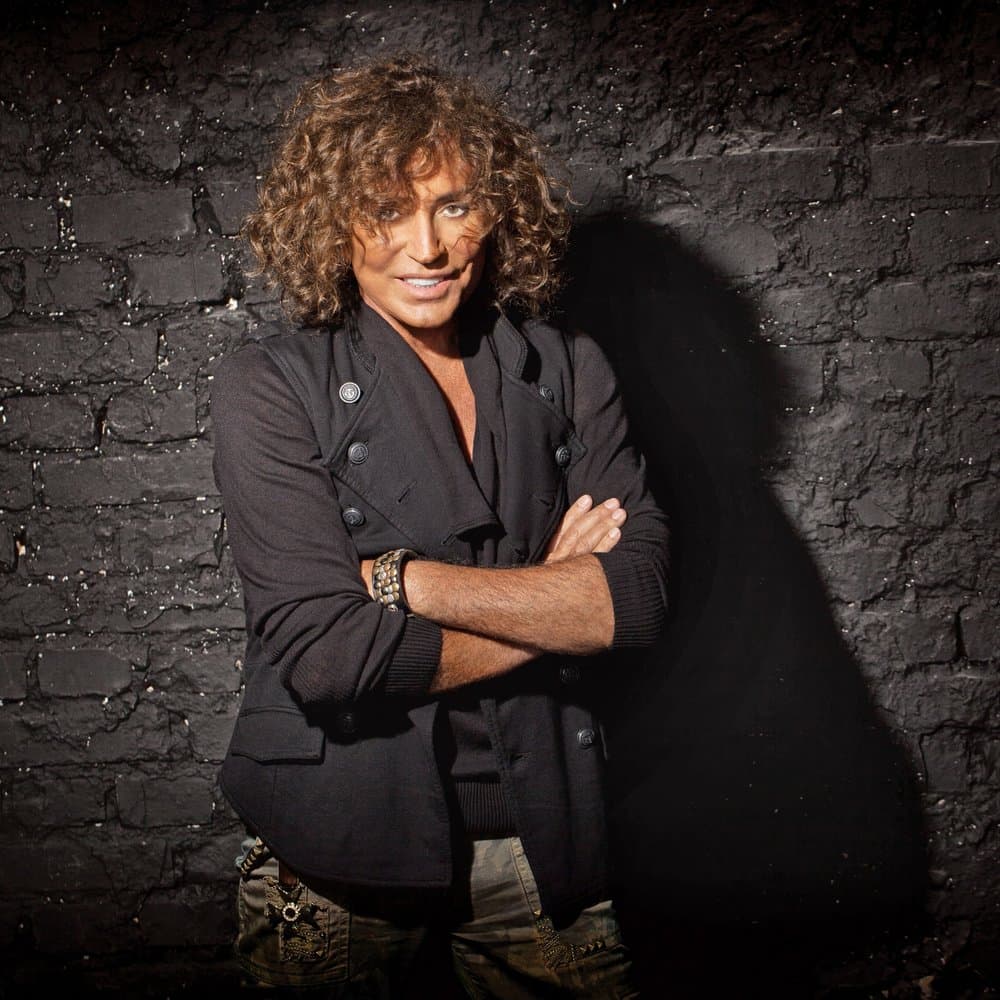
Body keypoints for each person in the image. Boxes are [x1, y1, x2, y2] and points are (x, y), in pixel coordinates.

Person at [210, 52, 669, 997]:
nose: (426, 246)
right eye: (388, 210)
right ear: (335, 222)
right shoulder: (273, 385)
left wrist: (403, 582)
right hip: (333, 850)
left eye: (454, 205)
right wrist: (559, 605)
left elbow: (636, 600)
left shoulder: (566, 367)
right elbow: (327, 655)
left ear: (495, 212)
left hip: (543, 840)